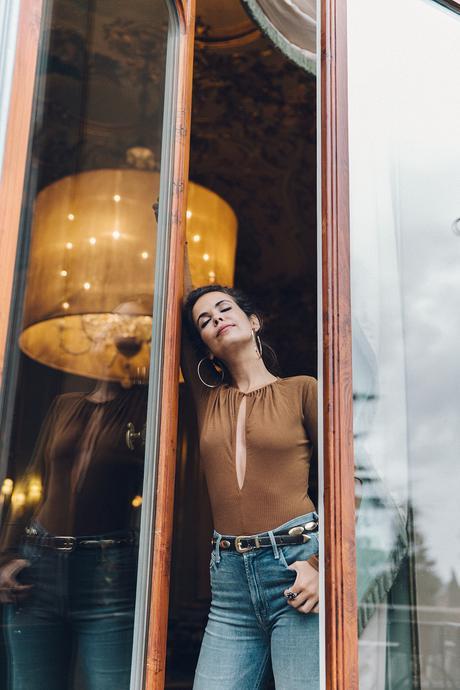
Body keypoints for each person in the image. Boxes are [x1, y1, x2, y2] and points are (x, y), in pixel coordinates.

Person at [0, 300, 150, 690]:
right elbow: (33, 483)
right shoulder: (64, 405)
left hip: (107, 572)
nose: (122, 333)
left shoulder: (150, 406)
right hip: (38, 566)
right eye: (113, 324)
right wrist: (6, 555)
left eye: (134, 328)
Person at [182, 282, 320, 690]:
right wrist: (167, 222)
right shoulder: (208, 398)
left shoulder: (302, 390)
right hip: (229, 587)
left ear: (253, 321)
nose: (217, 319)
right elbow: (176, 284)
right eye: (205, 321)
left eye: (225, 309)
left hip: (297, 568)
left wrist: (322, 565)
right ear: (206, 348)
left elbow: (354, 480)